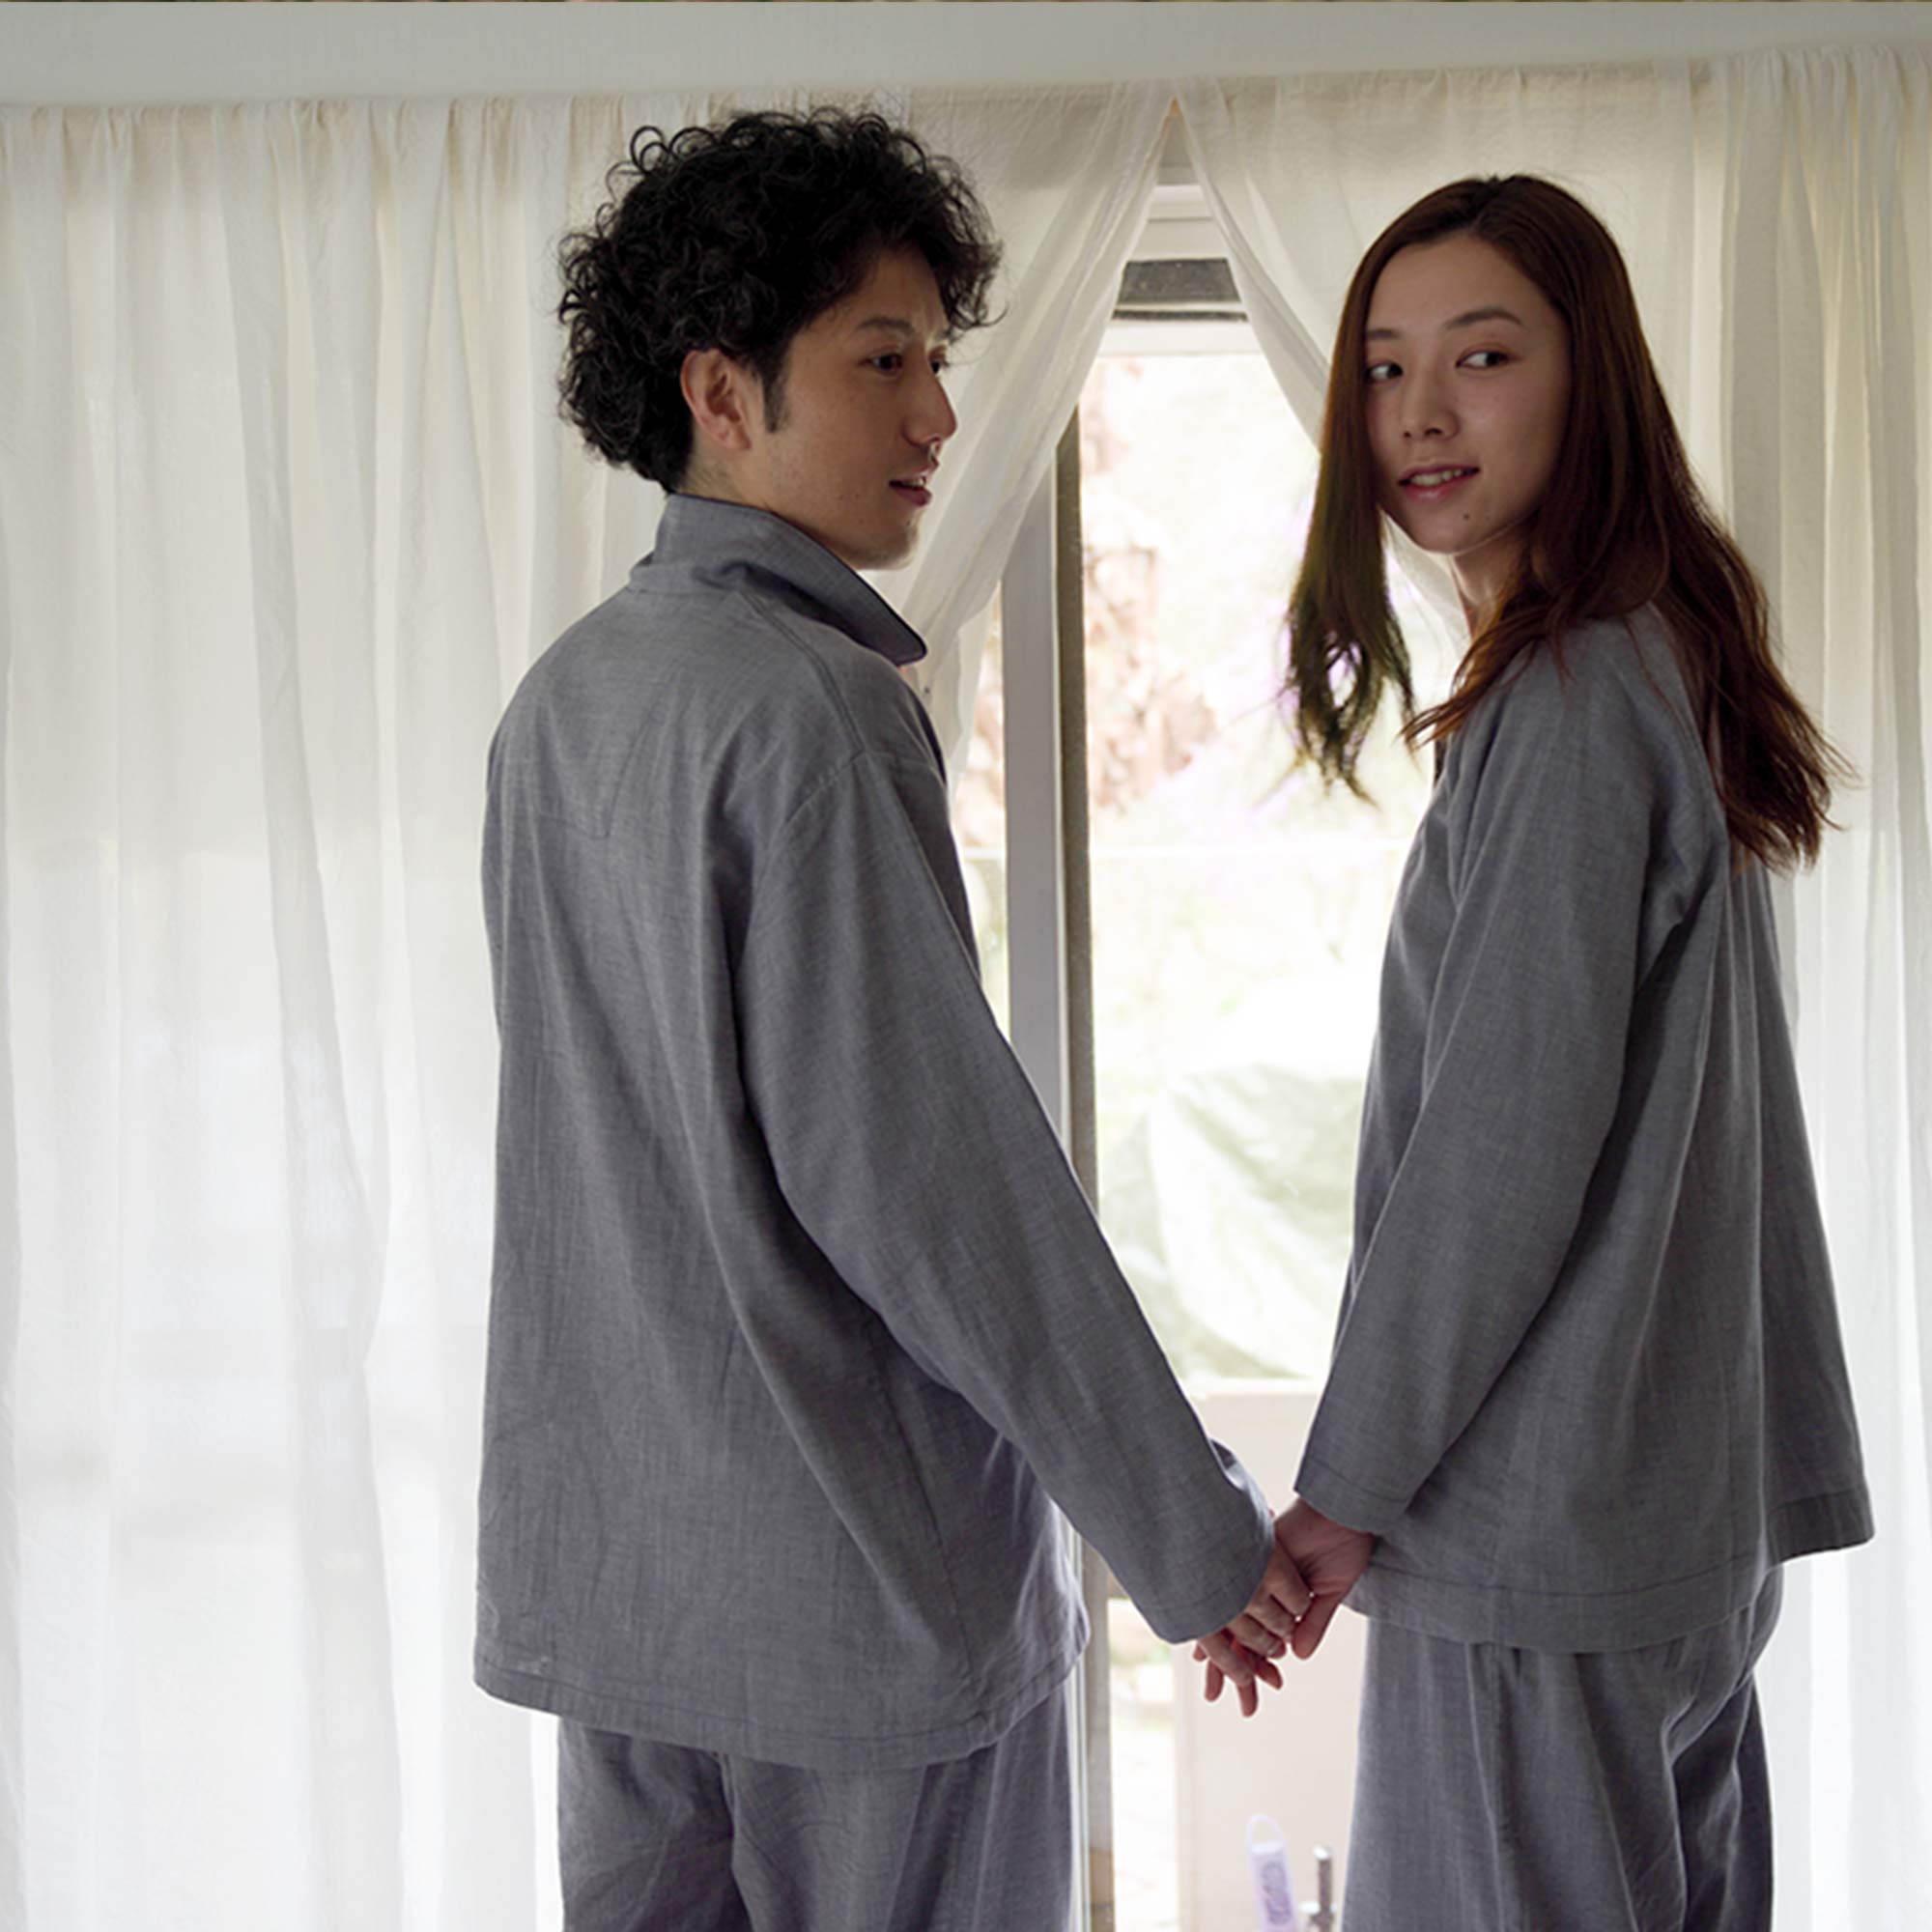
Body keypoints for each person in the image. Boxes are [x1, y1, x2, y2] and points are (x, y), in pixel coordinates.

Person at [476, 106, 1311, 1932]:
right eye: (884, 361)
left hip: (622, 1602)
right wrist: (1191, 1533)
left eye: (939, 360)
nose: (939, 414)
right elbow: (941, 1198)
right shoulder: (810, 712)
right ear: (721, 390)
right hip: (862, 1611)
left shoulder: (560, 707)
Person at [1205, 174, 1875, 1931]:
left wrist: (1347, 1493)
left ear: (1593, 378)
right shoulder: (1656, 661)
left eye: (1483, 356)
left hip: (1542, 1538)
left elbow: (1498, 1159)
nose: (1421, 413)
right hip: (1665, 1524)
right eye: (1384, 367)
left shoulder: (1572, 700)